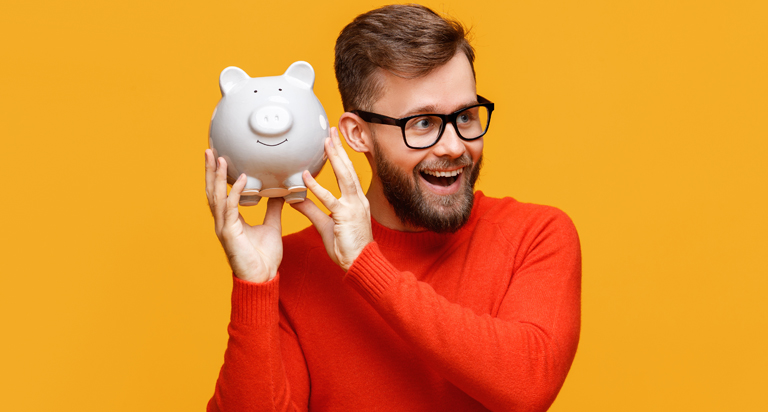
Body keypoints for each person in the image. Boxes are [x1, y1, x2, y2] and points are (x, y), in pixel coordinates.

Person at [204, 4, 581, 411]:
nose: (455, 146)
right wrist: (255, 287)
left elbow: (527, 385)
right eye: (422, 123)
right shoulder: (295, 268)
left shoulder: (537, 234)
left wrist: (367, 266)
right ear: (358, 134)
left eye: (466, 116)